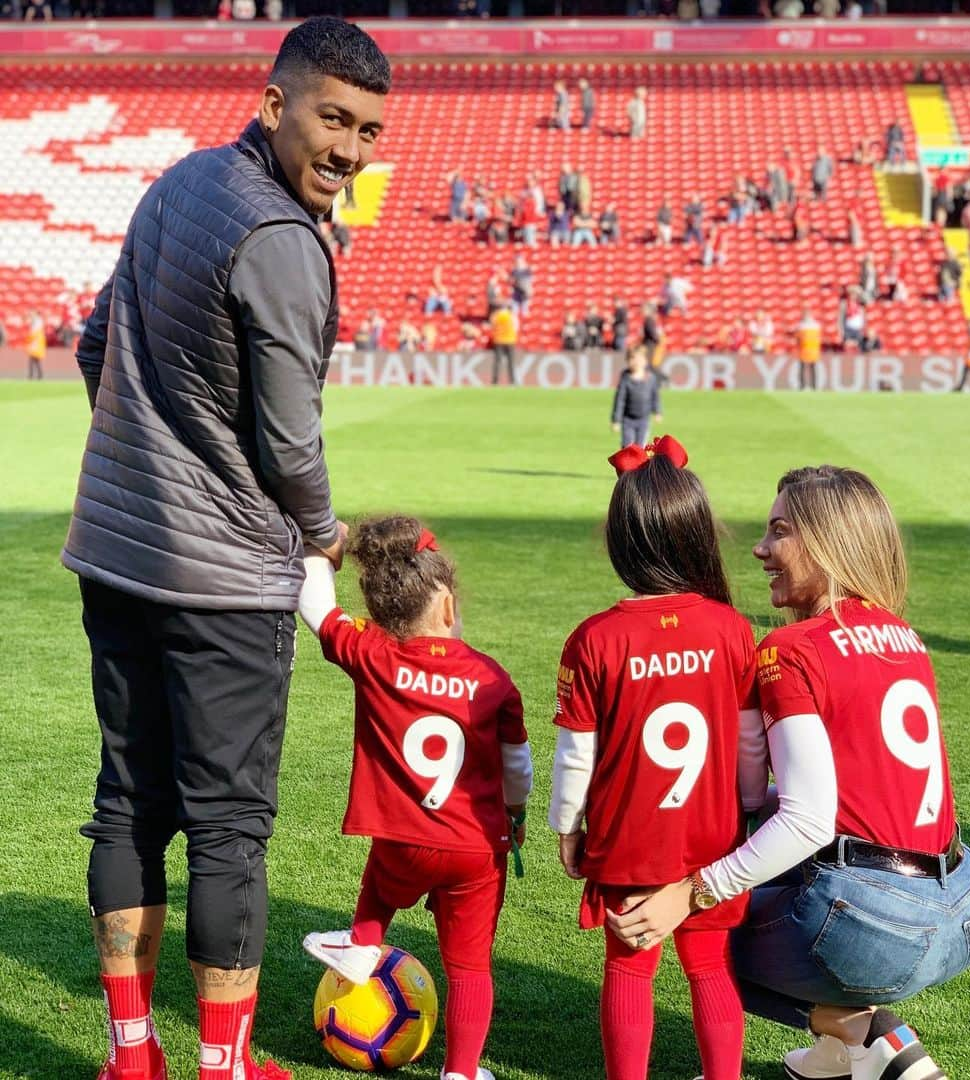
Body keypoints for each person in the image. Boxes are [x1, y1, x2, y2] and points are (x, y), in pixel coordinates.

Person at [62, 17, 389, 1080]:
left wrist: (149, 460)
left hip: (116, 555)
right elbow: (292, 443)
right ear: (273, 103)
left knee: (127, 802)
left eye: (369, 131)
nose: (347, 149)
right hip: (226, 582)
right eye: (332, 118)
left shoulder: (176, 184)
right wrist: (324, 534)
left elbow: (94, 342)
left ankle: (132, 1053)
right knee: (230, 831)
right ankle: (223, 1066)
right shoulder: (286, 240)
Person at [607, 465, 970, 1080]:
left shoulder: (792, 649)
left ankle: (866, 1029)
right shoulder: (904, 636)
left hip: (880, 923)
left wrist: (689, 891)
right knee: (769, 856)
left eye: (780, 531)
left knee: (701, 934)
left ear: (826, 543)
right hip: (966, 906)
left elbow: (807, 819)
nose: (760, 549)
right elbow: (853, 795)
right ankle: (842, 1053)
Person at [549, 435, 764, 1080]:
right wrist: (747, 807)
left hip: (632, 834)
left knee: (627, 965)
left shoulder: (595, 638)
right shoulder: (732, 629)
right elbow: (750, 740)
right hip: (712, 833)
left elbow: (575, 755)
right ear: (694, 534)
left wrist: (567, 826)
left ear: (621, 540)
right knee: (711, 966)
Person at [297, 517, 533, 1080]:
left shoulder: (373, 653)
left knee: (380, 883)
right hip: (477, 848)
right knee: (471, 968)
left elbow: (316, 611)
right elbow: (517, 766)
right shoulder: (492, 678)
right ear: (448, 606)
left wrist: (318, 550)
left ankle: (362, 941)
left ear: (381, 612)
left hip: (403, 838)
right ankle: (462, 1072)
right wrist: (516, 814)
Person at [609, 344, 661, 447]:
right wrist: (616, 420)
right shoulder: (625, 378)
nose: (636, 362)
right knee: (627, 446)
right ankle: (626, 463)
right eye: (632, 358)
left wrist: (657, 411)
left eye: (639, 359)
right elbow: (620, 400)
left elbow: (655, 396)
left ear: (645, 361)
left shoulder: (651, 378)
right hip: (628, 420)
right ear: (627, 360)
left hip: (644, 420)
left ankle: (640, 463)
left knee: (641, 447)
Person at [488, 300, 517, 386]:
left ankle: (495, 381)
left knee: (497, 362)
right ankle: (512, 381)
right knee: (511, 362)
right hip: (510, 340)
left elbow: (491, 326)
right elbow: (515, 327)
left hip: (498, 340)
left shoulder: (495, 316)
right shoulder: (511, 315)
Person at [794, 308, 822, 389]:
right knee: (802, 369)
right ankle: (802, 386)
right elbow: (798, 338)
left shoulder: (815, 325)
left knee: (812, 369)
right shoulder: (800, 325)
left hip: (812, 350)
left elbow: (818, 338)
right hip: (803, 350)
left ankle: (814, 386)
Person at [25, 309, 46, 379]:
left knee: (34, 359)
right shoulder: (37, 321)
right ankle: (37, 375)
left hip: (36, 340)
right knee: (34, 359)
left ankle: (33, 375)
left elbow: (35, 331)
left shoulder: (38, 321)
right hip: (35, 340)